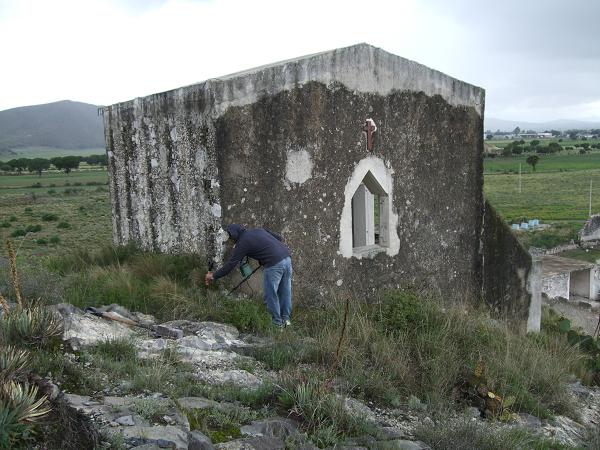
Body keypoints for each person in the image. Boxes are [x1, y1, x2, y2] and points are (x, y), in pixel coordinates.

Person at [205, 224, 293, 328]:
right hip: (287, 259)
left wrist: (214, 276)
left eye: (231, 238)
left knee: (270, 294)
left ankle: (277, 324)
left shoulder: (243, 243)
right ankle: (286, 320)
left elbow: (230, 264)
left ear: (234, 236)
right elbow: (279, 238)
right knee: (285, 291)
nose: (231, 241)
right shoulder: (258, 230)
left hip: (274, 264)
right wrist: (265, 252)